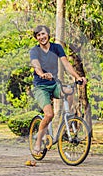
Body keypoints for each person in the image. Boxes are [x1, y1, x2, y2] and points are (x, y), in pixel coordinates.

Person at [30, 25, 87, 156]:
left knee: (69, 90)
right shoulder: (35, 51)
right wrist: (42, 74)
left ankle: (67, 117)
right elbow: (36, 65)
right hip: (41, 86)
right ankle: (38, 143)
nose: (41, 37)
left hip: (54, 83)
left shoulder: (57, 48)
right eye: (38, 35)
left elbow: (66, 64)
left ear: (48, 34)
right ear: (37, 38)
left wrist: (78, 77)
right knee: (49, 115)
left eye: (43, 34)